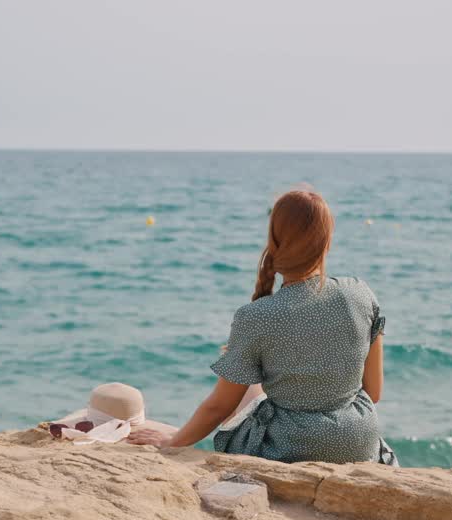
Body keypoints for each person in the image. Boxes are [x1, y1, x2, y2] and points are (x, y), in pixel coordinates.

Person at [128, 189, 392, 465]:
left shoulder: (257, 316)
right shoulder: (361, 294)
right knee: (255, 382)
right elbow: (373, 393)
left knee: (249, 388)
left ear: (274, 241)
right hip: (358, 444)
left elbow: (219, 407)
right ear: (327, 242)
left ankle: (176, 431)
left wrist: (173, 443)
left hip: (291, 447)